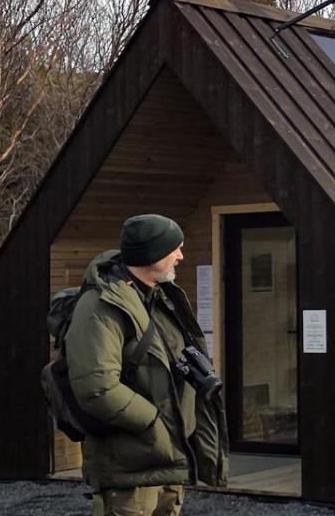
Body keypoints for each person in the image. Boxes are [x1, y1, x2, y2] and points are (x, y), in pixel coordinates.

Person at [67, 214, 228, 516]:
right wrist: (155, 423)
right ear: (151, 253)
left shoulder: (160, 297)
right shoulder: (100, 306)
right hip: (130, 468)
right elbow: (96, 388)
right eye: (175, 248)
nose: (181, 256)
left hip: (167, 461)